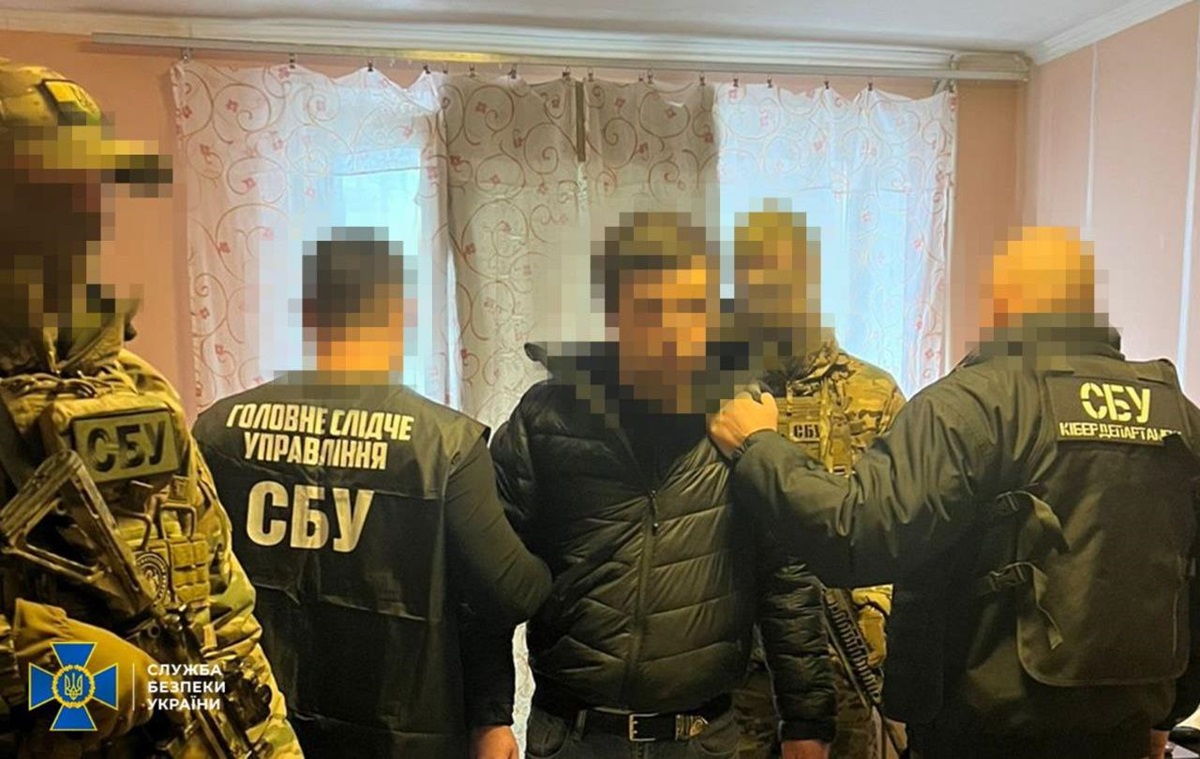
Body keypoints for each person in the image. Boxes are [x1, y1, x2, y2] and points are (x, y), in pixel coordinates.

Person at [708, 226, 1200, 759]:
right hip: (1123, 731)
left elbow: (857, 534)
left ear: (1007, 301)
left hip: (986, 732)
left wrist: (758, 445)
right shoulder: (1179, 417)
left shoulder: (972, 406)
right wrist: (1167, 712)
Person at [0, 59, 301, 756]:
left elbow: (221, 617)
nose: (87, 214)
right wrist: (35, 663)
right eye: (48, 191)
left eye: (93, 185)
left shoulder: (136, 387)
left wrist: (269, 743)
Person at [470, 211, 831, 759]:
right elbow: (487, 581)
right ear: (614, 313)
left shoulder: (745, 423)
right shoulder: (545, 420)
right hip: (572, 737)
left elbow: (787, 580)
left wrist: (806, 723)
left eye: (692, 308)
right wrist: (487, 717)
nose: (674, 331)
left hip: (703, 740)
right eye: (651, 309)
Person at [193, 227, 553, 758]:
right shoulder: (445, 444)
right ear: (400, 316)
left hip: (257, 727)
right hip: (399, 735)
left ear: (308, 314)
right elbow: (511, 593)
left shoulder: (217, 431)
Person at [727, 205, 903, 759]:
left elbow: (900, 527)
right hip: (735, 677)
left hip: (844, 668)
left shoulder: (873, 393)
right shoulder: (717, 394)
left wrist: (875, 614)